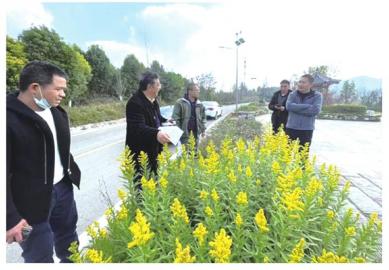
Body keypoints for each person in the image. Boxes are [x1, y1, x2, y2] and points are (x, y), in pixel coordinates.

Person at [6, 61, 81, 263]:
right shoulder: (7, 119)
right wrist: (10, 219)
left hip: (62, 192)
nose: (63, 94)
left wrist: (70, 174)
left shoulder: (57, 113)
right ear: (35, 88)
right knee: (39, 256)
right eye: (58, 89)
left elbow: (61, 150)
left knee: (70, 246)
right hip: (29, 205)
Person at [125, 71, 171, 189]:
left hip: (154, 151)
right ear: (150, 87)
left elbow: (156, 118)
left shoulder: (154, 100)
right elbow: (137, 127)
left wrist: (166, 121)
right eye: (158, 84)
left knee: (155, 185)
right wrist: (157, 133)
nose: (160, 87)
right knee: (143, 188)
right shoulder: (134, 103)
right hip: (140, 155)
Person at [285, 74, 323, 151]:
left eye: (303, 82)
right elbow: (289, 106)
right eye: (299, 82)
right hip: (291, 128)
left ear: (311, 85)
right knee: (286, 154)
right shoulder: (292, 94)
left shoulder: (317, 96)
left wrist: (296, 107)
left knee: (303, 156)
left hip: (306, 129)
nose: (300, 84)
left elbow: (315, 110)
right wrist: (307, 106)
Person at [172, 83, 206, 150]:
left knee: (195, 153)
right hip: (185, 134)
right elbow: (175, 118)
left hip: (196, 133)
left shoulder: (200, 104)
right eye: (196, 90)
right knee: (186, 154)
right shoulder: (180, 102)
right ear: (190, 91)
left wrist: (203, 130)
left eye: (199, 90)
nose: (198, 91)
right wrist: (178, 132)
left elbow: (203, 118)